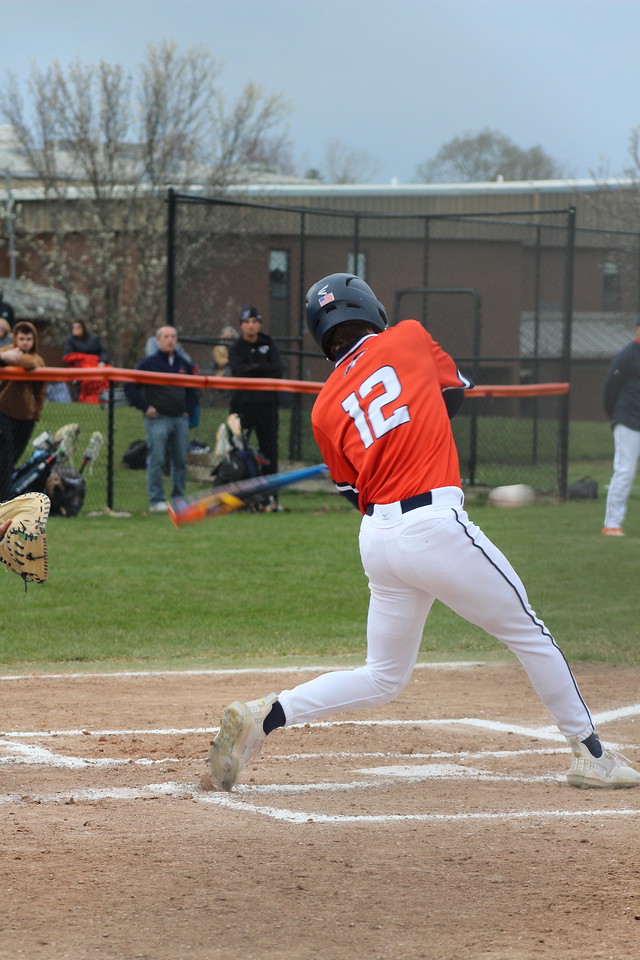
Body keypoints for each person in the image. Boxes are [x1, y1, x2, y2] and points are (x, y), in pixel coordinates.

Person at [208, 272, 640, 793]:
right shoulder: (408, 336)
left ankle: (266, 716)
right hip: (434, 525)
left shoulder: (324, 407)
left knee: (383, 676)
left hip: (379, 540)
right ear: (368, 309)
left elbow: (353, 493)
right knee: (532, 635)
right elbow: (455, 395)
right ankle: (592, 755)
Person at [124, 325, 200, 513]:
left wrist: (187, 410)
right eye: (166, 336)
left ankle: (178, 499)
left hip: (179, 420)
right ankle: (156, 501)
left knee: (180, 460)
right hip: (158, 419)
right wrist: (144, 407)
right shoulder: (149, 363)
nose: (170, 340)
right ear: (158, 341)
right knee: (156, 459)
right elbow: (129, 385)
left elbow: (194, 390)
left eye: (173, 336)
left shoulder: (183, 364)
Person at [228, 306, 284, 476]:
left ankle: (270, 498)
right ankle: (237, 494)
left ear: (259, 324)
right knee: (237, 447)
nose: (250, 325)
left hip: (267, 405)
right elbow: (239, 371)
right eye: (246, 322)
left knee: (269, 450)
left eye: (254, 322)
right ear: (241, 326)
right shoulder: (236, 347)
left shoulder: (268, 343)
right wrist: (263, 368)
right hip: (242, 405)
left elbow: (278, 370)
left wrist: (252, 368)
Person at [0, 321, 47, 502]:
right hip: (3, 411)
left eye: (28, 339)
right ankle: (3, 501)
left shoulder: (37, 359)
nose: (25, 343)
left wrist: (36, 412)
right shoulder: (6, 351)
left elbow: (32, 364)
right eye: (21, 338)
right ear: (15, 338)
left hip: (26, 416)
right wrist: (6, 356)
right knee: (4, 458)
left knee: (11, 460)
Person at [602, 317, 640, 536]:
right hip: (628, 420)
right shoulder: (627, 355)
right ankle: (611, 524)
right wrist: (615, 416)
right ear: (636, 329)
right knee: (625, 471)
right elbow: (610, 388)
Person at [63, 319, 109, 403]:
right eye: (73, 327)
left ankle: (102, 397)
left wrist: (102, 361)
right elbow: (70, 356)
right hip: (82, 365)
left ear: (83, 328)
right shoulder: (71, 340)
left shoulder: (93, 338)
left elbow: (103, 351)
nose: (75, 329)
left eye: (78, 327)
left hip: (96, 364)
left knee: (104, 374)